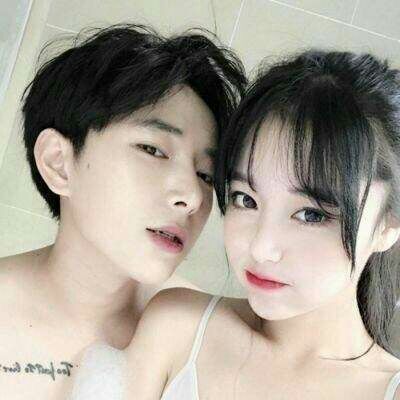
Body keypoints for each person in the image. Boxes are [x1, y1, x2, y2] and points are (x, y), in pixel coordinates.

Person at [123, 50, 400, 399]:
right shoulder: (179, 328)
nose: (260, 248)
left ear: (387, 227)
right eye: (246, 199)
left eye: (311, 215)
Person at [0, 23, 246, 399]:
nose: (192, 196)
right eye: (153, 150)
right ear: (58, 163)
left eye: (206, 175)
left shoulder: (207, 335)